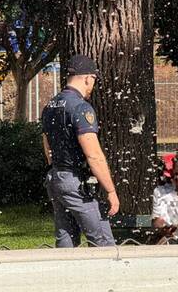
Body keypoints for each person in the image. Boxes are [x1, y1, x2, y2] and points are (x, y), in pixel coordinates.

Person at [41, 54, 119, 247]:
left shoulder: (51, 105)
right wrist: (110, 190)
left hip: (55, 177)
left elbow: (46, 143)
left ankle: (66, 276)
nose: (93, 85)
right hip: (75, 182)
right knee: (103, 243)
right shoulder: (80, 108)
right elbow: (94, 154)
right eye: (93, 79)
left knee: (66, 239)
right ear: (87, 78)